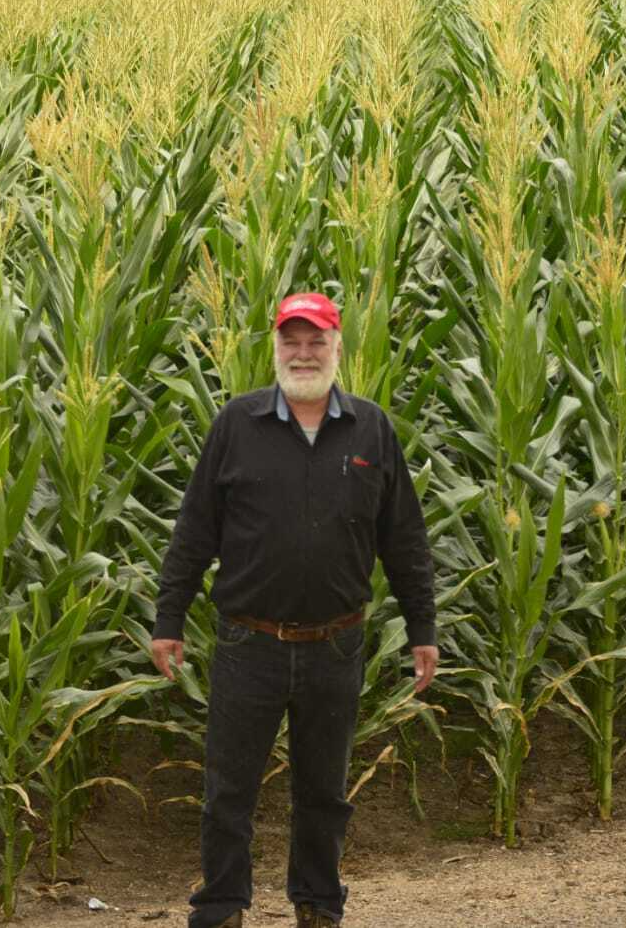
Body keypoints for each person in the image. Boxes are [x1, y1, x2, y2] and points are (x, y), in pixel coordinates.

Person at [151, 291, 439, 928]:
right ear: (275, 348)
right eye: (291, 341)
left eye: (317, 341)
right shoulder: (236, 424)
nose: (303, 353)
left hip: (336, 644)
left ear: (339, 347)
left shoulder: (371, 429)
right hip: (247, 642)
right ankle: (222, 908)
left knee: (324, 793)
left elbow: (404, 537)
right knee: (228, 792)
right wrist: (168, 619)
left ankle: (317, 905)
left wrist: (423, 627)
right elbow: (195, 529)